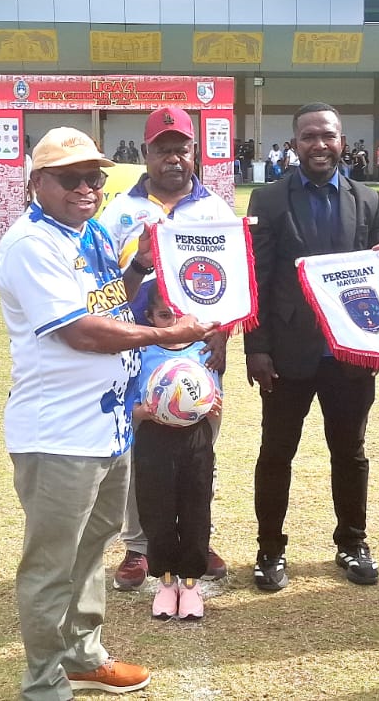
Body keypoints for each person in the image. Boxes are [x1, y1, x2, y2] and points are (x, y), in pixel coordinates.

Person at [0, 126, 215, 699]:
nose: (88, 187)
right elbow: (80, 330)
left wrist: (139, 268)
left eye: (95, 176)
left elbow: (105, 299)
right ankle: (43, 681)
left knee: (92, 550)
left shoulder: (87, 232)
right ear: (37, 182)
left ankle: (84, 654)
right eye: (71, 178)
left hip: (108, 426)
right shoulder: (30, 244)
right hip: (58, 434)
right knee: (51, 563)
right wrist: (163, 339)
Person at [245, 102, 379, 592]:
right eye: (308, 136)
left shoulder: (368, 199)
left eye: (327, 135)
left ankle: (352, 543)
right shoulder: (268, 201)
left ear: (342, 140)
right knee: (276, 454)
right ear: (295, 143)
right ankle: (270, 550)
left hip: (350, 355)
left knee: (349, 453)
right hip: (288, 353)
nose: (319, 144)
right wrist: (256, 348)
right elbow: (257, 278)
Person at [96, 107, 234, 590]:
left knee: (199, 449)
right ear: (146, 152)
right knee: (142, 450)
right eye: (163, 148)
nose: (173, 157)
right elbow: (104, 287)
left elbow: (232, 285)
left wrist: (223, 335)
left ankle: (197, 540)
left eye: (182, 148)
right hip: (139, 347)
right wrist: (142, 264)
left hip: (198, 350)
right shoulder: (118, 212)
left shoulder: (215, 210)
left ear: (194, 152)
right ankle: (139, 547)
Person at [130, 283, 221, 622]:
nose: (172, 322)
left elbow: (212, 396)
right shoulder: (142, 351)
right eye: (164, 316)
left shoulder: (203, 350)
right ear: (150, 317)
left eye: (178, 315)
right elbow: (129, 403)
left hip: (195, 439)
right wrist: (144, 411)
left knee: (196, 506)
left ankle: (192, 582)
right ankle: (166, 581)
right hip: (154, 438)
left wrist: (211, 404)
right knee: (157, 509)